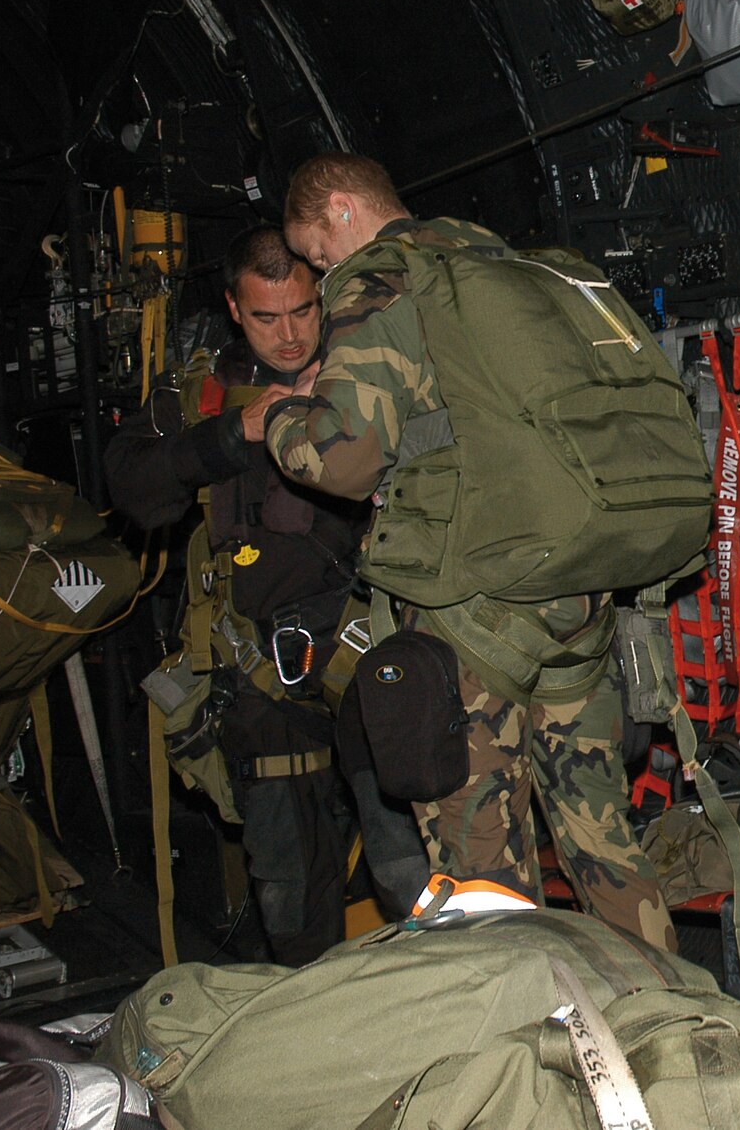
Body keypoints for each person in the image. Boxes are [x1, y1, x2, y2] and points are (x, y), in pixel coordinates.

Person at [258, 153, 677, 952]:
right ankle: (668, 1024)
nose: (323, 275)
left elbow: (343, 461)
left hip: (474, 609)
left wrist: (286, 417)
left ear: (343, 210)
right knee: (601, 837)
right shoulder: (497, 258)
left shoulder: (381, 282)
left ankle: (524, 1052)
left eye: (317, 254)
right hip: (577, 589)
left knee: (477, 861)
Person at [106, 226, 428, 964]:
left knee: (413, 871)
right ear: (232, 309)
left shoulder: (374, 365)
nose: (289, 335)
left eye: (303, 311)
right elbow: (131, 486)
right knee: (289, 894)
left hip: (374, 651)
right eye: (265, 317)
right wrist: (234, 433)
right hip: (260, 676)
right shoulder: (208, 389)